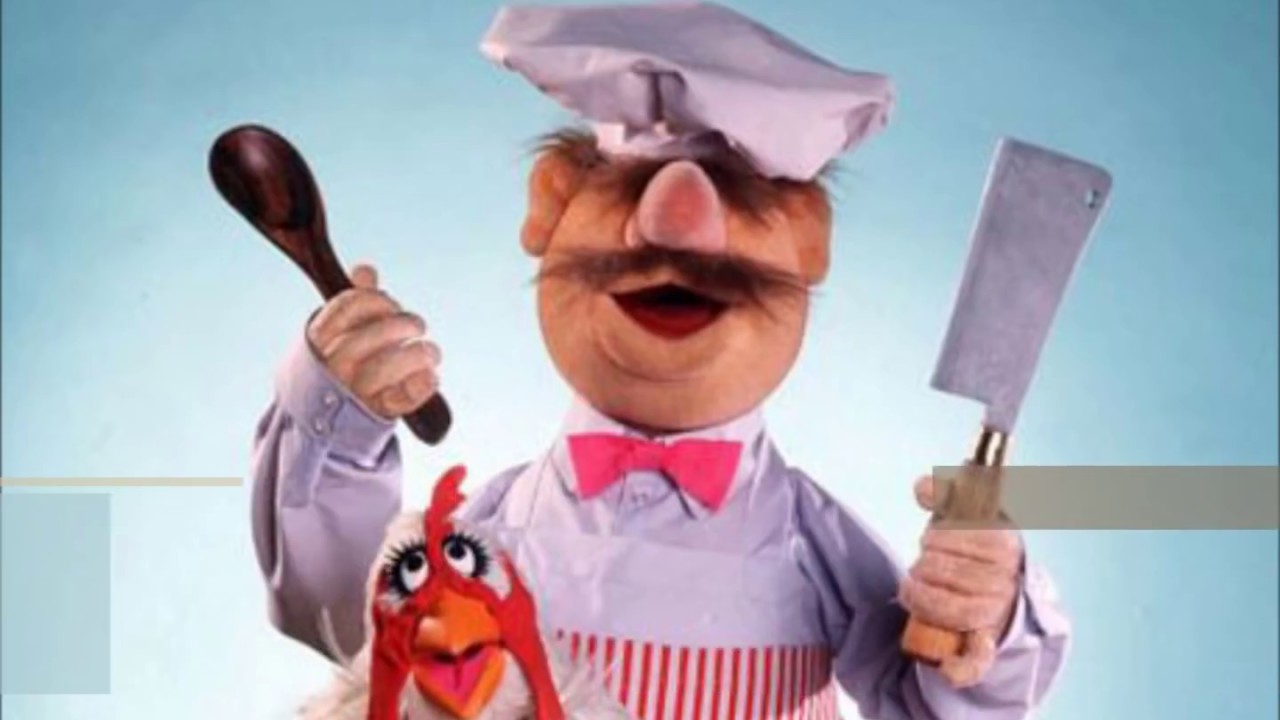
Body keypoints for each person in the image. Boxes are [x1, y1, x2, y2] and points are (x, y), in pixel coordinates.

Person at [251, 4, 1070, 718]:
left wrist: (981, 616)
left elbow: (932, 705)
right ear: (552, 205)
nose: (678, 224)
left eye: (738, 194)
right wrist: (336, 415)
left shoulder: (810, 541)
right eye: (632, 182)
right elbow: (344, 615)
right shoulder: (490, 532)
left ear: (806, 240)